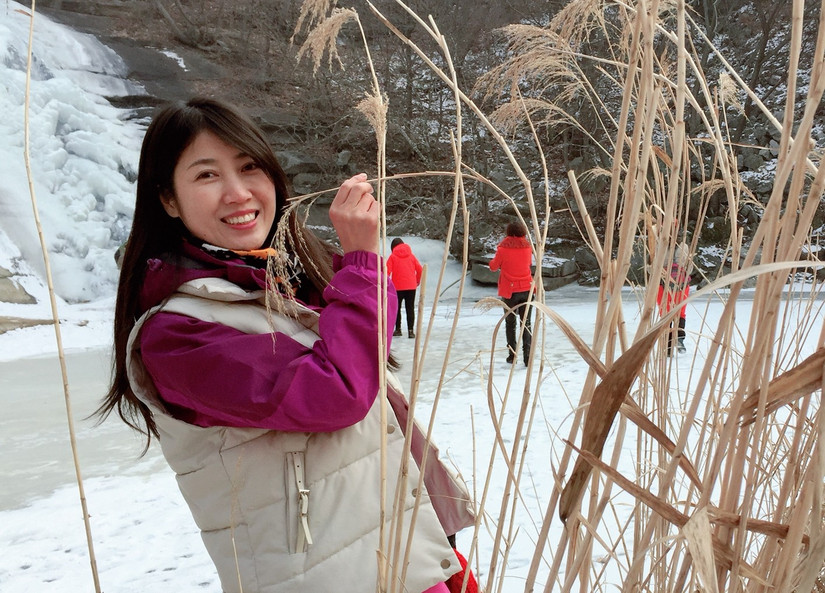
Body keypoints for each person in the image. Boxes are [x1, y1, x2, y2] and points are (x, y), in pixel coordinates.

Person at [97, 97, 475, 593]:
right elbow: (338, 396)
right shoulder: (176, 334)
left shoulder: (287, 283)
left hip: (406, 556)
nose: (237, 193)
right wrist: (362, 262)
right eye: (207, 175)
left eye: (249, 167)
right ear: (167, 199)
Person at [489, 221, 534, 366]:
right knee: (526, 324)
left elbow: (493, 267)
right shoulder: (528, 248)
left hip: (510, 291)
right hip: (527, 288)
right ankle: (528, 357)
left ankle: (512, 355)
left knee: (510, 323)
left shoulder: (503, 249)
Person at [386, 237, 423, 338]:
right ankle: (411, 331)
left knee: (396, 308)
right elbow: (420, 269)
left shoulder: (392, 257)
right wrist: (417, 280)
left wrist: (386, 284)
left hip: (397, 287)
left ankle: (398, 329)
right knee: (410, 308)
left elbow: (386, 272)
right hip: (411, 286)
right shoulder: (411, 256)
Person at [657, 260, 690, 355]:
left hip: (663, 285)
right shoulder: (684, 248)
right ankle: (679, 338)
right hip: (682, 284)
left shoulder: (659, 249)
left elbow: (652, 269)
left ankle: (667, 347)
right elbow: (689, 268)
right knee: (680, 313)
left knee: (665, 315)